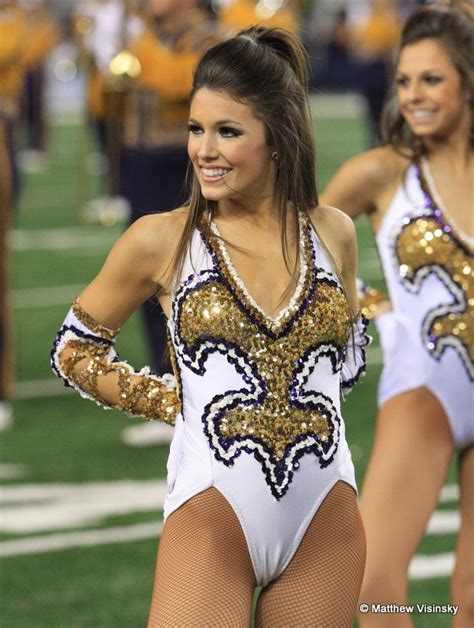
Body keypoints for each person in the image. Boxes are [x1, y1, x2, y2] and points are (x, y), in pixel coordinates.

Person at [51, 25, 369, 626]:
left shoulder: (334, 232)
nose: (203, 150)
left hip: (325, 515)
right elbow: (75, 349)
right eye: (197, 129)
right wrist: (172, 399)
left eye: (228, 131)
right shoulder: (161, 239)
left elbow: (345, 361)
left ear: (278, 139)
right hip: (213, 509)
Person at [321, 5, 473, 626]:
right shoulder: (381, 173)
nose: (414, 95)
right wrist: (373, 307)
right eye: (404, 81)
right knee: (373, 584)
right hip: (425, 390)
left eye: (431, 79)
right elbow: (295, 255)